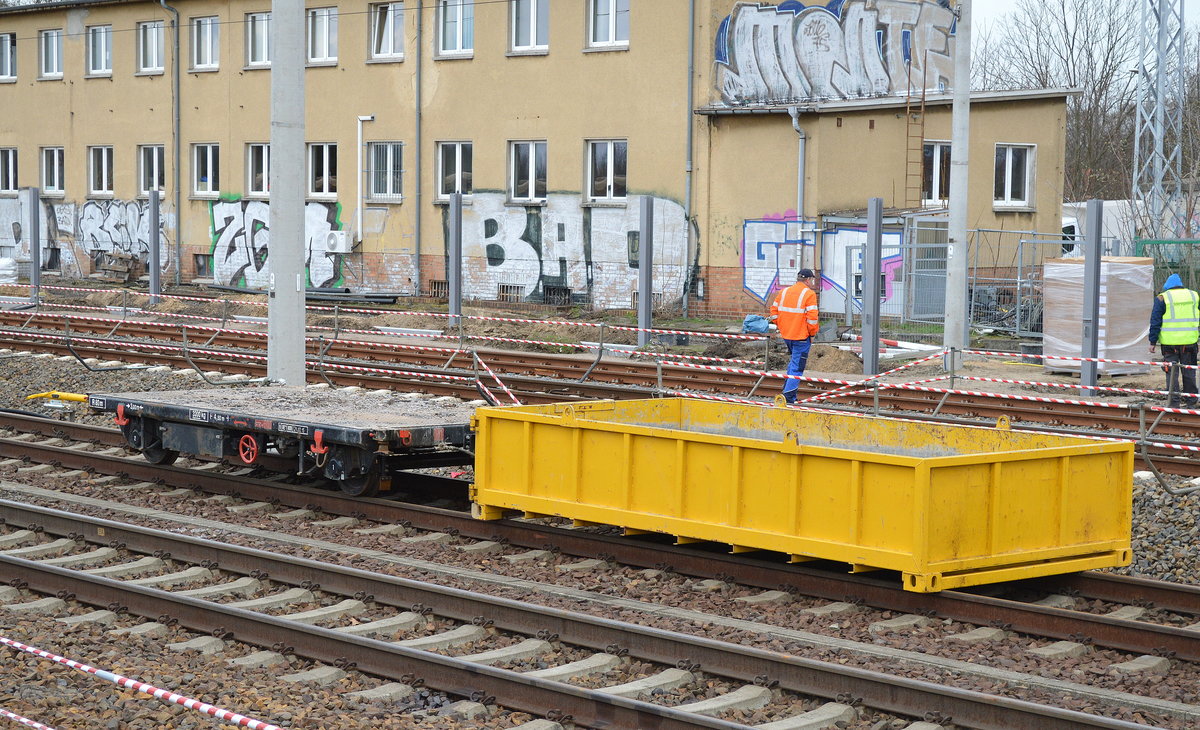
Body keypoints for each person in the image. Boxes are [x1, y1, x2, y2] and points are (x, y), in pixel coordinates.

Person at [769, 268, 820, 404]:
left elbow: (773, 312)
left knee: (793, 363)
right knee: (797, 367)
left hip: (787, 335)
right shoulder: (809, 294)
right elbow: (812, 319)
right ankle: (789, 398)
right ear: (808, 280)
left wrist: (782, 325)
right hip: (801, 337)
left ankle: (786, 390)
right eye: (812, 280)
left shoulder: (784, 292)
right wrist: (812, 333)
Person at [1149, 273, 1200, 408]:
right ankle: (1191, 402)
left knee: (1171, 373)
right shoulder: (1194, 296)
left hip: (1169, 343)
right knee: (1189, 372)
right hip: (1189, 342)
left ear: (1167, 286)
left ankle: (1174, 403)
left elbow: (1155, 321)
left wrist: (1152, 342)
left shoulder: (1162, 298)